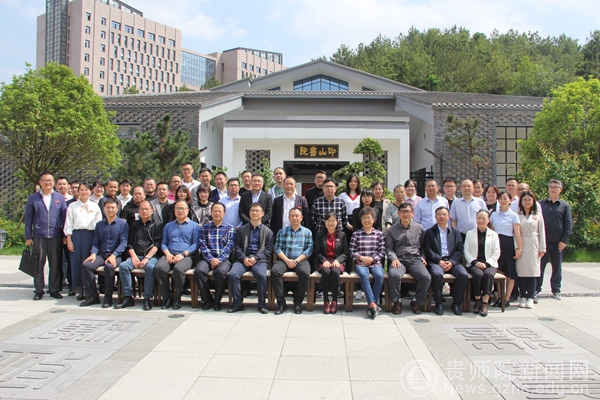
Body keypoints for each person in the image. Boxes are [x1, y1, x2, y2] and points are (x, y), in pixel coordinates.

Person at [25, 172, 67, 300]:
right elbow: (28, 218)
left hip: (55, 235)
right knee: (38, 264)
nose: (48, 182)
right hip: (39, 235)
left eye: (50, 180)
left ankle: (54, 289)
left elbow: (64, 218)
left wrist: (65, 235)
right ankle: (39, 290)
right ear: (40, 182)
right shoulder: (33, 198)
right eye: (45, 180)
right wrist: (28, 236)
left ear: (53, 182)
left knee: (55, 263)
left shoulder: (59, 198)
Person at [80, 198, 128, 308]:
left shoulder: (123, 224)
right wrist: (93, 253)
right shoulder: (99, 225)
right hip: (102, 255)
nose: (110, 210)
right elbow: (96, 242)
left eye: (113, 207)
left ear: (117, 209)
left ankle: (108, 298)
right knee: (87, 265)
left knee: (109, 266)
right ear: (103, 209)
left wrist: (113, 255)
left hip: (117, 255)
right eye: (108, 207)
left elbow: (123, 243)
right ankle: (93, 296)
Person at [115, 200, 162, 311]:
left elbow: (157, 244)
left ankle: (147, 298)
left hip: (151, 257)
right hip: (136, 255)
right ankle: (128, 297)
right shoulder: (134, 225)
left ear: (152, 211)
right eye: (142, 209)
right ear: (138, 211)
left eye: (147, 209)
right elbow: (129, 243)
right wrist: (134, 257)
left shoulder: (158, 224)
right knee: (123, 266)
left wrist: (147, 258)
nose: (144, 211)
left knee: (150, 267)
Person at [227, 203, 274, 314]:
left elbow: (268, 250)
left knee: (261, 276)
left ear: (262, 214)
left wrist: (256, 258)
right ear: (249, 213)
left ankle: (261, 304)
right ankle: (237, 304)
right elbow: (237, 247)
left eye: (257, 211)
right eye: (253, 210)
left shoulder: (268, 232)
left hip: (259, 261)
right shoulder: (241, 230)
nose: (255, 213)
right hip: (243, 260)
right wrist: (244, 258)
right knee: (233, 274)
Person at [155, 199, 200, 310]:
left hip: (186, 256)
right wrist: (167, 254)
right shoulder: (168, 226)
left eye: (183, 208)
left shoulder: (195, 226)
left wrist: (183, 254)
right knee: (159, 268)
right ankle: (167, 298)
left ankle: (177, 298)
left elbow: (196, 244)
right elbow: (164, 243)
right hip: (170, 254)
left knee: (179, 269)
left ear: (188, 210)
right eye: (178, 208)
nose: (180, 211)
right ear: (174, 210)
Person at [386, 203, 429, 315]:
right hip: (399, 259)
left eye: (408, 211)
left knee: (425, 277)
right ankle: (397, 301)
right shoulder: (392, 230)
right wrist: (394, 258)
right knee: (394, 275)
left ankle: (416, 301)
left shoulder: (419, 228)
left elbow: (423, 246)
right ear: (398, 213)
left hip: (415, 259)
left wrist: (423, 257)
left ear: (412, 213)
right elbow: (389, 248)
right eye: (403, 212)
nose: (405, 214)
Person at [423, 206, 467, 315]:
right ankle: (438, 302)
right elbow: (428, 250)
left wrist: (452, 262)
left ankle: (456, 302)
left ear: (448, 217)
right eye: (439, 214)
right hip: (437, 261)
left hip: (452, 261)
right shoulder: (429, 232)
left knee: (463, 275)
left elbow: (460, 250)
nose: (442, 216)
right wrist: (439, 261)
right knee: (436, 274)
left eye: (444, 214)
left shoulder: (456, 232)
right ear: (435, 217)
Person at [64, 182, 102, 301]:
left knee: (88, 261)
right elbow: (68, 223)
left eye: (86, 190)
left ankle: (88, 288)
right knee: (76, 262)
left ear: (90, 191)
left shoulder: (95, 206)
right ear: (78, 191)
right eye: (81, 190)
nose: (84, 192)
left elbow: (99, 223)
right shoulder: (72, 206)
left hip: (90, 235)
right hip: (76, 235)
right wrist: (69, 240)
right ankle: (79, 288)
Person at [272, 208, 314, 315]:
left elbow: (309, 249)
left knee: (305, 273)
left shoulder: (307, 232)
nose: (294, 218)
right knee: (275, 271)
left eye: (297, 215)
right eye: (292, 215)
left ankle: (298, 302)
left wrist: (296, 260)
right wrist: (287, 260)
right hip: (284, 260)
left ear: (301, 217)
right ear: (288, 217)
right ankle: (281, 303)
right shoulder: (282, 231)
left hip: (301, 260)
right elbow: (277, 248)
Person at [195, 203, 236, 311]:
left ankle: (217, 301)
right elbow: (202, 245)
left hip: (223, 259)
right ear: (211, 212)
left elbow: (229, 246)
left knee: (220, 272)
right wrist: (211, 259)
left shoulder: (230, 228)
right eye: (215, 211)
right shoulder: (204, 228)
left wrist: (219, 259)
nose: (217, 213)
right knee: (199, 271)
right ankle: (207, 300)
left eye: (219, 211)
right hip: (207, 258)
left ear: (224, 213)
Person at [537, 179, 573, 300]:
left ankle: (556, 290)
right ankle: (536, 289)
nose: (552, 189)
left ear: (560, 189)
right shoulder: (541, 204)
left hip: (558, 242)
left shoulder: (564, 206)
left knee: (557, 268)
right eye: (551, 187)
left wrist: (564, 240)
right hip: (543, 241)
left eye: (555, 187)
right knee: (540, 267)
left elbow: (568, 225)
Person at [350, 207, 386, 319]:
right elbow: (352, 251)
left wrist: (372, 258)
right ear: (361, 220)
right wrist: (361, 257)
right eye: (364, 218)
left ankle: (372, 304)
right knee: (363, 274)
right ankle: (373, 304)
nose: (366, 220)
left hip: (375, 263)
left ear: (373, 219)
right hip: (360, 263)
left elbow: (382, 251)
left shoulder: (379, 234)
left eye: (369, 218)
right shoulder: (356, 234)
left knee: (379, 275)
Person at [464, 210, 501, 317]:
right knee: (478, 274)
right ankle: (477, 300)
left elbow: (496, 252)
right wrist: (475, 262)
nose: (481, 220)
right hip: (474, 263)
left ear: (488, 220)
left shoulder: (493, 234)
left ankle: (485, 302)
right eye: (479, 218)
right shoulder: (470, 233)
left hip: (489, 264)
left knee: (488, 274)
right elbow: (466, 251)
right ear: (476, 219)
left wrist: (487, 264)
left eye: (483, 218)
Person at [490, 191, 523, 308]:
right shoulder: (494, 215)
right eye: (501, 199)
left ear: (510, 200)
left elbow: (517, 233)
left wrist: (519, 248)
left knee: (509, 272)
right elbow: (491, 230)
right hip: (496, 243)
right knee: (499, 271)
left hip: (508, 243)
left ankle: (507, 298)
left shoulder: (514, 215)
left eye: (505, 198)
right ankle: (500, 297)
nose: (503, 201)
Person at [516, 191, 546, 309]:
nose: (527, 202)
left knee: (533, 272)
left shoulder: (537, 215)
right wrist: (517, 247)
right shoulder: (517, 215)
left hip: (534, 244)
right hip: (522, 244)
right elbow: (515, 233)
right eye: (524, 200)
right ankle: (523, 296)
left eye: (529, 200)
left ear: (533, 201)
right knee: (522, 272)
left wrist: (542, 248)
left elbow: (542, 232)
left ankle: (531, 297)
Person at [314, 212, 348, 314]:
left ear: (337, 222)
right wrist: (324, 260)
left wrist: (338, 260)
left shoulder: (342, 235)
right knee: (326, 272)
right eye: (328, 221)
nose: (330, 223)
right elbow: (317, 251)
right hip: (324, 261)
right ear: (325, 222)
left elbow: (345, 252)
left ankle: (334, 300)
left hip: (337, 261)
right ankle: (325, 301)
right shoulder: (319, 234)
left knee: (335, 272)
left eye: (333, 221)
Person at [340, 173, 361, 242]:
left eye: (355, 181)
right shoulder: (343, 195)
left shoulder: (361, 195)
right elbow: (341, 210)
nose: (353, 183)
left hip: (359, 219)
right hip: (347, 220)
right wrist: (346, 222)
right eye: (351, 181)